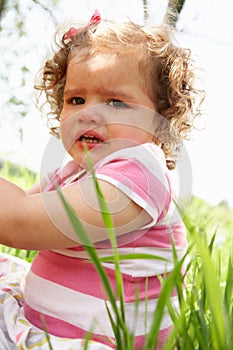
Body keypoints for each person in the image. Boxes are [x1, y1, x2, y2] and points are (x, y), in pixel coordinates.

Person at [0, 10, 204, 350]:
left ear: (159, 121)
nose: (88, 113)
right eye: (76, 100)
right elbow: (23, 207)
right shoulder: (74, 173)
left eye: (116, 102)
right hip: (38, 326)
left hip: (86, 342)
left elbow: (17, 222)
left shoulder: (139, 175)